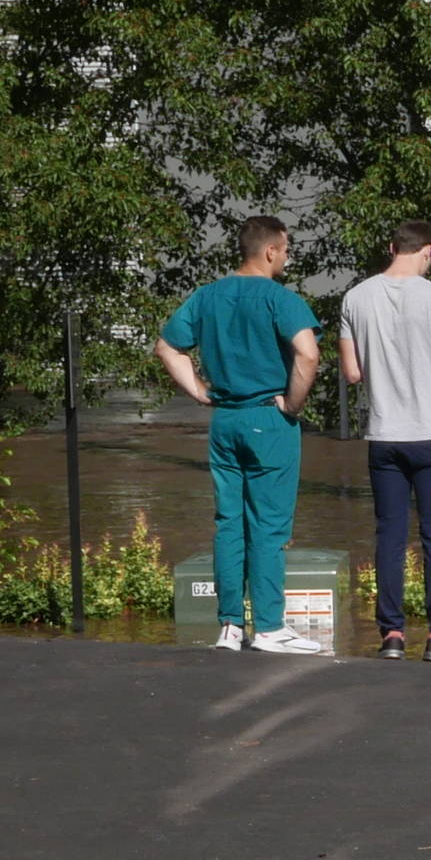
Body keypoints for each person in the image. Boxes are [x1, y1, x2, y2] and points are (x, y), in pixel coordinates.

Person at [156, 216, 325, 655]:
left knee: (229, 523)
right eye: (285, 250)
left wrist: (198, 392)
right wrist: (292, 404)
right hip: (268, 418)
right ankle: (269, 626)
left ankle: (230, 627)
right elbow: (308, 355)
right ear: (270, 251)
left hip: (224, 421)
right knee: (268, 526)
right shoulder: (279, 298)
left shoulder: (207, 296)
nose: (286, 257)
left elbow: (167, 347)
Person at [340, 220, 431, 661]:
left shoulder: (355, 298)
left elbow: (353, 372)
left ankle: (391, 635)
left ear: (391, 246)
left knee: (390, 537)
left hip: (384, 434)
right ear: (428, 252)